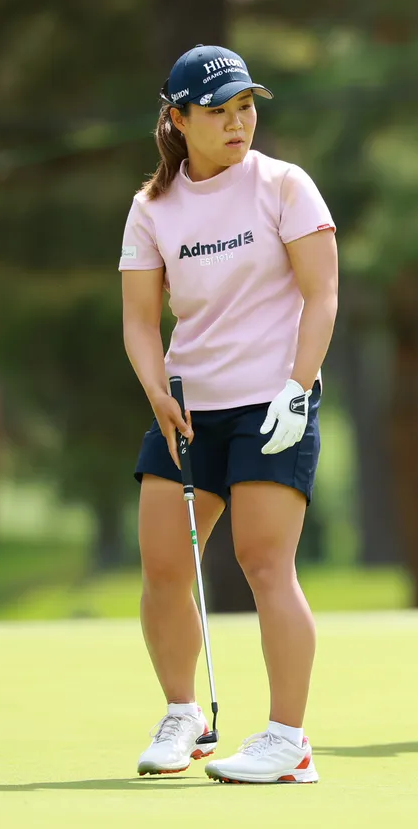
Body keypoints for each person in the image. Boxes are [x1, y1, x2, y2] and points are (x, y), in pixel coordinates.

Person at [119, 45, 337, 783]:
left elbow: (323, 295)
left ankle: (288, 739)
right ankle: (184, 714)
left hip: (273, 401)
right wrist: (156, 389)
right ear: (178, 120)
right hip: (189, 405)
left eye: (245, 107)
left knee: (265, 562)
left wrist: (298, 388)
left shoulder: (285, 185)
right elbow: (140, 319)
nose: (238, 122)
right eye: (218, 111)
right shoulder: (152, 208)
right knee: (162, 568)